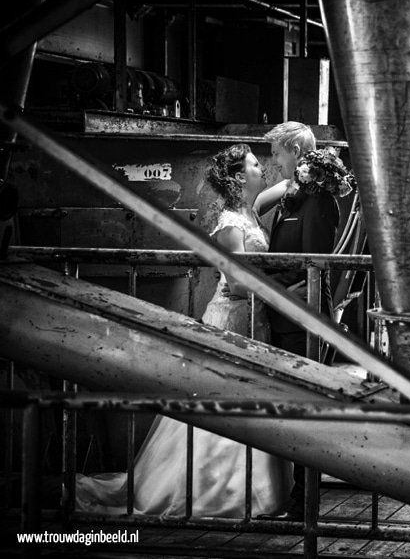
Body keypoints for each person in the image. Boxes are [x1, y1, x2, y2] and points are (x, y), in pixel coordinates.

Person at [76, 144, 288, 518]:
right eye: (256, 164)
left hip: (256, 318)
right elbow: (238, 284)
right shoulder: (229, 225)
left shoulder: (250, 212)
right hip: (234, 316)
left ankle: (247, 487)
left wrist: (309, 168)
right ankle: (215, 490)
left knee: (249, 399)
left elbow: (286, 184)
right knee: (224, 399)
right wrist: (287, 293)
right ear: (240, 177)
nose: (263, 169)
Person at [253, 122, 352, 519]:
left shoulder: (321, 200)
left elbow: (314, 267)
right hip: (282, 317)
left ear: (294, 150)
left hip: (305, 319)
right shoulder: (294, 195)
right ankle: (295, 491)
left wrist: (270, 288)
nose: (273, 160)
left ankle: (304, 498)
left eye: (276, 152)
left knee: (305, 407)